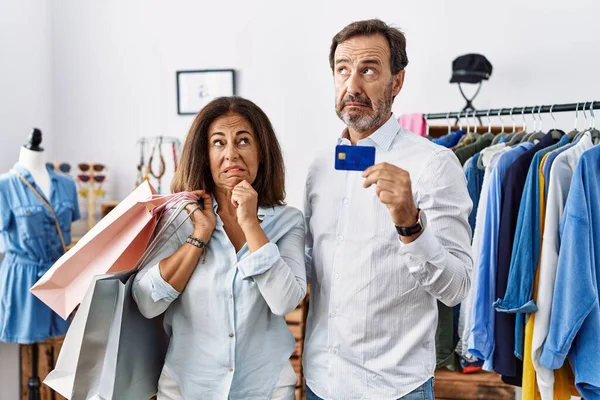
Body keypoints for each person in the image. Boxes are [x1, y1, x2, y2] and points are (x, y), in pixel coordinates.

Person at [302, 19, 473, 400]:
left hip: (394, 389)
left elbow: (457, 288)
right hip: (320, 382)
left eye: (368, 70)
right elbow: (313, 266)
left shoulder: (435, 164)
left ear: (396, 82)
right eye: (342, 70)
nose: (352, 85)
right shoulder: (318, 166)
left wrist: (411, 224)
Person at [133, 96, 306, 400]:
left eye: (243, 141)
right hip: (187, 390)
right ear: (204, 154)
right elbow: (147, 301)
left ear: (261, 152)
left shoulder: (288, 221)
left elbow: (285, 302)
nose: (230, 155)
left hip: (264, 390)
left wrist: (250, 223)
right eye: (218, 143)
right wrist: (199, 235)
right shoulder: (179, 217)